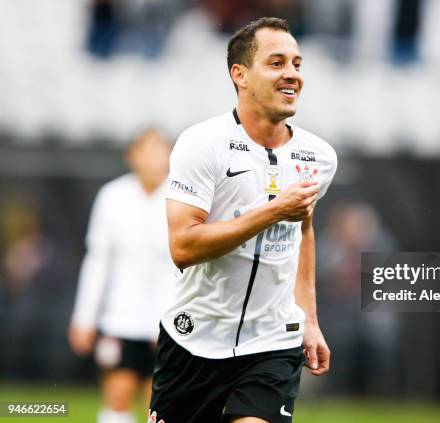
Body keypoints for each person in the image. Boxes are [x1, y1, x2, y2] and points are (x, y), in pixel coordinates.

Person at [148, 17, 337, 423]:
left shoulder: (318, 156)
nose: (292, 74)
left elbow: (302, 230)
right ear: (240, 75)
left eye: (297, 64)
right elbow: (183, 247)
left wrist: (309, 320)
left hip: (272, 342)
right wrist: (272, 210)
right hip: (193, 340)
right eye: (276, 62)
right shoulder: (202, 145)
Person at [68, 129, 174, 423]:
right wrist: (85, 317)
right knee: (117, 395)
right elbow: (98, 259)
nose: (154, 158)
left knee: (161, 404)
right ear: (132, 156)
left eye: (160, 150)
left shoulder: (180, 198)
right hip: (121, 317)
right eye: (147, 150)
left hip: (167, 320)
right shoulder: (113, 197)